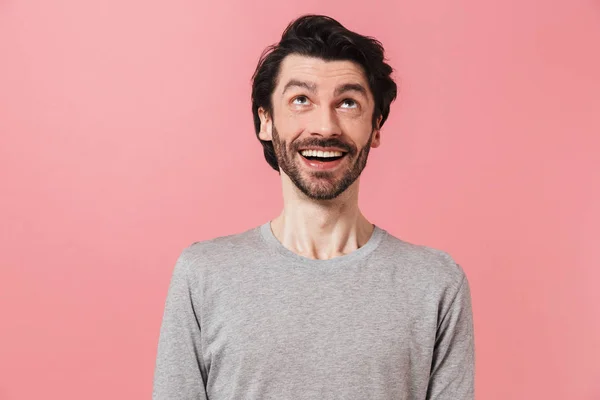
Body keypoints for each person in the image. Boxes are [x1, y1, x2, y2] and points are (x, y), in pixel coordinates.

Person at [152, 14, 475, 400]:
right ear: (266, 122)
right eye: (301, 100)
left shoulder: (436, 283)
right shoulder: (203, 275)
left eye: (348, 102)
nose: (325, 126)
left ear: (375, 127)